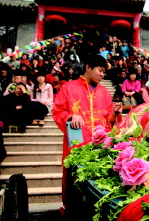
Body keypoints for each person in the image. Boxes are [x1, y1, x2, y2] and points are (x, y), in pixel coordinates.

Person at [52, 54, 122, 211]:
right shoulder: (69, 88)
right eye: (100, 70)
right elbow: (57, 111)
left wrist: (115, 114)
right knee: (76, 189)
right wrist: (70, 116)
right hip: (77, 145)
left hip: (100, 148)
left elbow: (109, 119)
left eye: (104, 72)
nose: (103, 75)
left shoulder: (104, 92)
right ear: (88, 67)